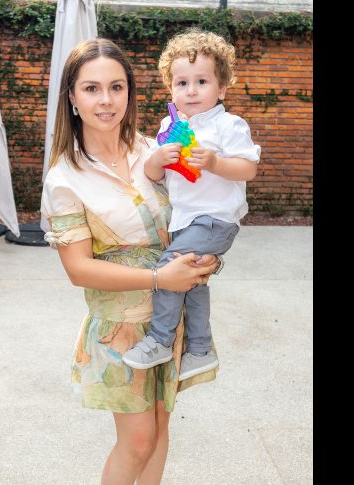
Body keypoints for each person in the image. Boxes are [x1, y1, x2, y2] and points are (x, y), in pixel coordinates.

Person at [40, 38, 223, 484]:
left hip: (168, 318)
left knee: (161, 432)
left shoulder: (156, 148)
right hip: (120, 328)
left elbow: (200, 211)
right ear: (72, 96)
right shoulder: (65, 178)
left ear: (130, 92)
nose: (106, 100)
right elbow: (78, 268)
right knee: (138, 439)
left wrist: (208, 257)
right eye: (92, 88)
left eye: (116, 87)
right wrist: (162, 276)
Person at [122, 29, 261, 381]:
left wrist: (215, 163)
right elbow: (153, 175)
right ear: (171, 90)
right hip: (184, 221)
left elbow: (249, 168)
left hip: (214, 220)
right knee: (193, 281)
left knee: (171, 268)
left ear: (222, 89)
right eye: (182, 83)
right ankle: (200, 349)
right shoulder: (170, 125)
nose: (192, 90)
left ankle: (160, 339)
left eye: (202, 81)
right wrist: (158, 159)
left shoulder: (229, 125)